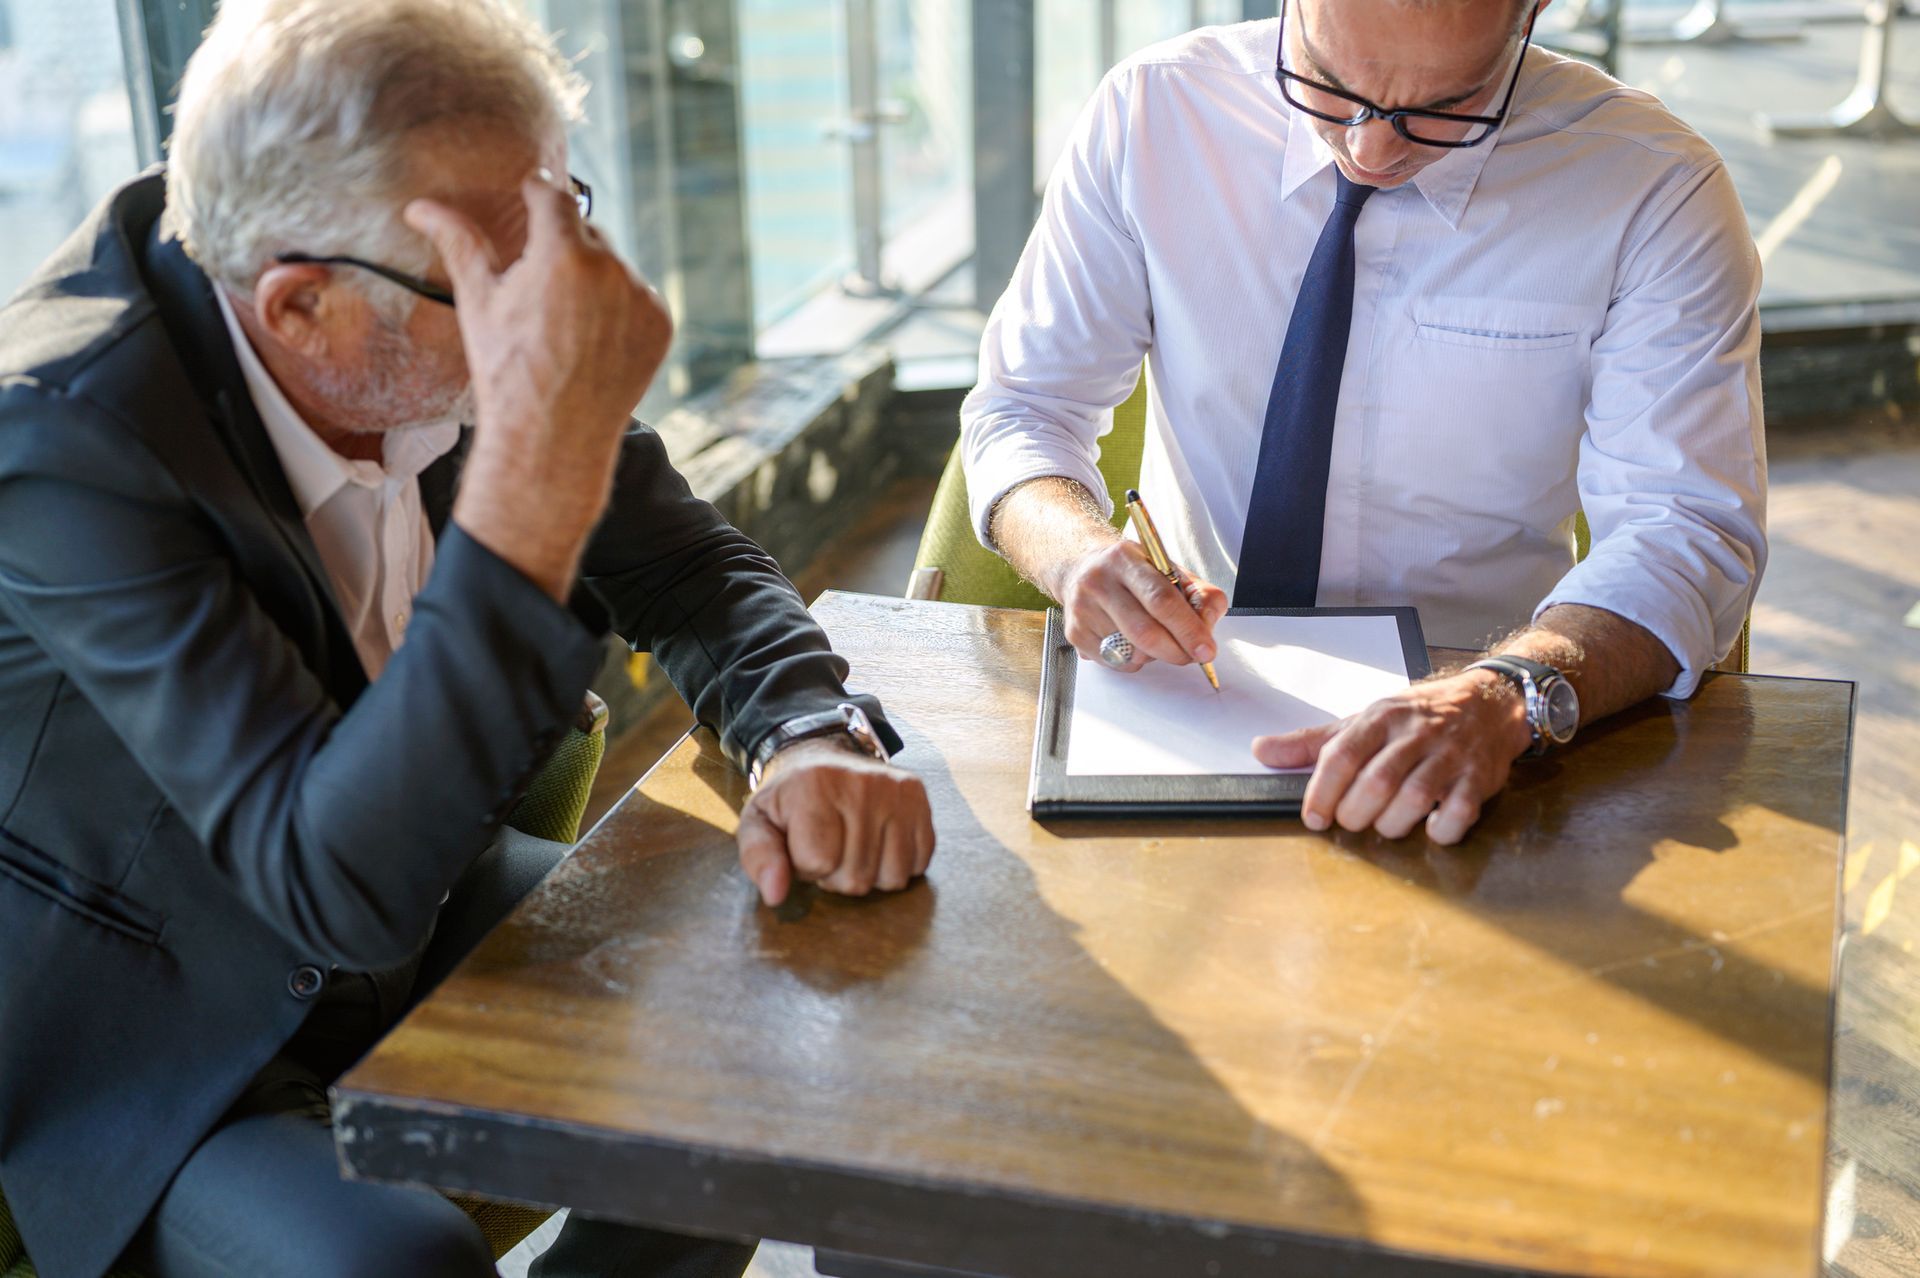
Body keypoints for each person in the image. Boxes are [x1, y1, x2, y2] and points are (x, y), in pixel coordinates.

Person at [0, 1, 934, 1275]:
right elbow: (334, 892)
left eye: (565, 214)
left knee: (745, 1042)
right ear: (299, 310)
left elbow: (685, 561)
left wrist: (807, 734)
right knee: (394, 1262)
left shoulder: (421, 299)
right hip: (157, 1025)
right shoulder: (63, 446)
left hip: (421, 900)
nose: (562, 293)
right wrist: (536, 483)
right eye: (505, 270)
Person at [962, 0, 1765, 845]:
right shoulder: (1155, 112)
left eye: (1446, 108)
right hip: (1189, 685)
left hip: (1478, 717)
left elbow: (1686, 529)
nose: (1370, 148)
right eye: (1330, 85)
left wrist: (1506, 693)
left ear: (1532, 16)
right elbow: (1025, 406)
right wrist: (1077, 553)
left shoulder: (1653, 187)